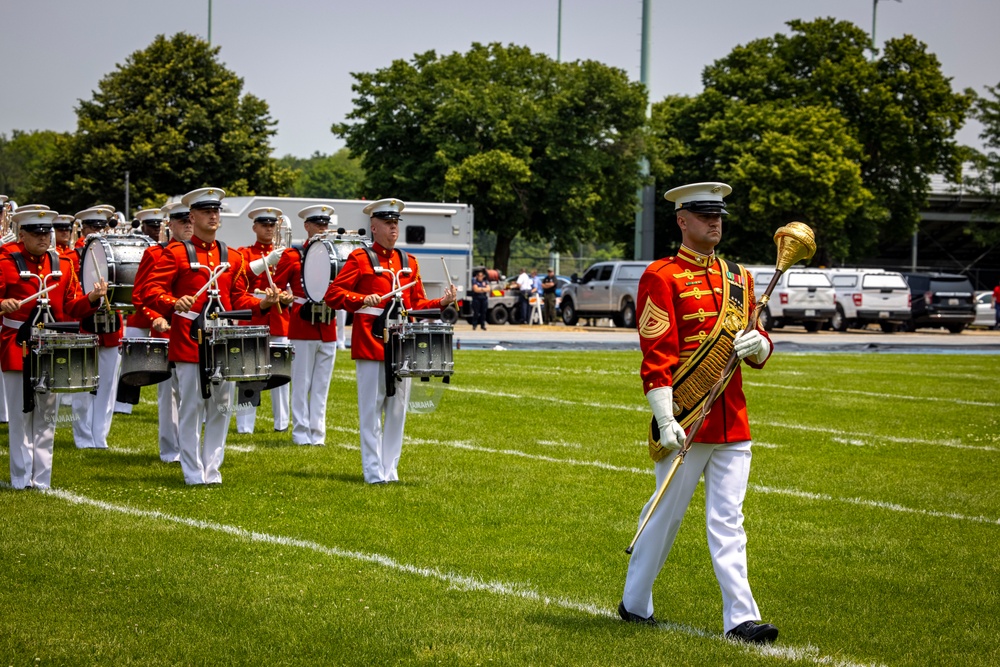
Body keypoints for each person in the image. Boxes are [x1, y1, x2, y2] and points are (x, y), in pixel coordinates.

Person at [619, 182, 779, 645]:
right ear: (682, 221)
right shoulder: (662, 275)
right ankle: (635, 601)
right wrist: (666, 418)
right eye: (705, 215)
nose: (715, 222)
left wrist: (760, 345)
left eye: (719, 215)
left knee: (728, 521)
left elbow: (758, 342)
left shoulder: (740, 279)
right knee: (665, 514)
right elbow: (657, 355)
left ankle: (741, 619)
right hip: (686, 419)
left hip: (733, 420)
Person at [145, 187, 280, 485]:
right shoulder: (175, 253)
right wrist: (172, 303)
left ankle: (212, 469)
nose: (213, 216)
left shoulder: (231, 256)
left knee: (220, 406)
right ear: (192, 216)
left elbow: (237, 299)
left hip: (224, 342)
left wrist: (262, 303)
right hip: (189, 340)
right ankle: (193, 472)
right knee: (192, 407)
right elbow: (151, 290)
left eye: (216, 211)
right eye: (207, 211)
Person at [325, 197, 457, 484]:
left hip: (402, 345)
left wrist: (442, 301)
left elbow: (417, 303)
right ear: (374, 227)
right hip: (371, 343)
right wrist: (362, 298)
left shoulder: (408, 261)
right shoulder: (359, 259)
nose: (393, 227)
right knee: (372, 410)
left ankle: (390, 470)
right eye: (387, 222)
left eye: (396, 222)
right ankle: (373, 472)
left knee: (397, 410)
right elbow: (333, 295)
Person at [1, 208, 107, 489]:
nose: (43, 237)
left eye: (46, 232)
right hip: (17, 344)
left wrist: (92, 298)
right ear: (21, 234)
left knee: (47, 415)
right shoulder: (5, 262)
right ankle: (21, 477)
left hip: (51, 345)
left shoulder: (63, 264)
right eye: (36, 233)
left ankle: (42, 479)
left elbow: (71, 307)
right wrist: (2, 304)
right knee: (21, 414)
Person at [127, 203, 194, 462]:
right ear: (171, 224)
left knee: (193, 393)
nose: (188, 225)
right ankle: (170, 449)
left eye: (190, 220)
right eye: (182, 221)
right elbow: (140, 295)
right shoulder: (156, 254)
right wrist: (154, 318)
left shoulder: (201, 253)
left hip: (193, 332)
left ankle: (190, 446)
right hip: (166, 330)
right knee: (169, 394)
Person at [271, 204, 339, 446]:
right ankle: (301, 432)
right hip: (302, 323)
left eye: (325, 224)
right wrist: (284, 296)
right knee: (301, 383)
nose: (323, 228)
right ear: (307, 226)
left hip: (328, 324)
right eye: (318, 224)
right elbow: (276, 286)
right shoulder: (293, 255)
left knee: (321, 385)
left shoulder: (336, 254)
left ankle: (317, 434)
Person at [236, 206, 294, 434]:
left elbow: (291, 283)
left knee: (280, 372)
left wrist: (288, 297)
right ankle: (245, 424)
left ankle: (282, 423)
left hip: (278, 319)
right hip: (253, 317)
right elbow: (243, 277)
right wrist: (266, 261)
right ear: (255, 227)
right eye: (264, 225)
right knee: (248, 371)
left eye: (272, 225)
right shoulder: (245, 253)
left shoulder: (286, 253)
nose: (269, 229)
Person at [72, 207, 125, 449]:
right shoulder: (74, 256)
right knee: (83, 384)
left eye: (102, 227)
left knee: (107, 385)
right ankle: (83, 437)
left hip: (111, 326)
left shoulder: (114, 254)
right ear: (83, 229)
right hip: (85, 325)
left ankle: (100, 436)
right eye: (92, 227)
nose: (98, 232)